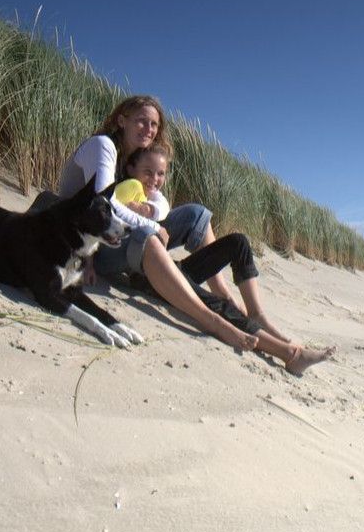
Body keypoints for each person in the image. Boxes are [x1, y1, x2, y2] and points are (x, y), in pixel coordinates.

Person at [111, 142, 333, 374]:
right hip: (149, 277)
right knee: (220, 304)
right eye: (148, 172)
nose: (154, 179)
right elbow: (117, 219)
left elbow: (163, 210)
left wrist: (149, 212)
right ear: (130, 169)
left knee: (238, 242)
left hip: (171, 266)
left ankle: (257, 314)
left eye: (160, 174)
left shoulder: (154, 200)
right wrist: (141, 215)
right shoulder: (125, 192)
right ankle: (290, 354)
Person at [58, 95, 256, 351]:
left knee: (196, 213)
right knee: (147, 232)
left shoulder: (138, 160)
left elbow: (161, 203)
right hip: (86, 242)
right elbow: (103, 206)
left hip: (114, 236)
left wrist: (150, 210)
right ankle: (211, 320)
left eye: (154, 125)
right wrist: (152, 226)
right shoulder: (103, 146)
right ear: (122, 120)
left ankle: (222, 293)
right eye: (142, 121)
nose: (149, 129)